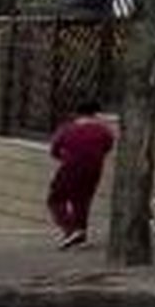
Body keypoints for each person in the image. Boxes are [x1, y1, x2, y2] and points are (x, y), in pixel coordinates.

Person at [46, 101, 116, 249]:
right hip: (94, 169)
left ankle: (71, 229)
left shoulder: (67, 129)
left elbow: (54, 150)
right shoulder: (104, 131)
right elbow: (108, 146)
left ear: (77, 113)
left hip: (70, 167)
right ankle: (81, 236)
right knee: (82, 201)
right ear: (95, 114)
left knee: (55, 199)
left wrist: (65, 157)